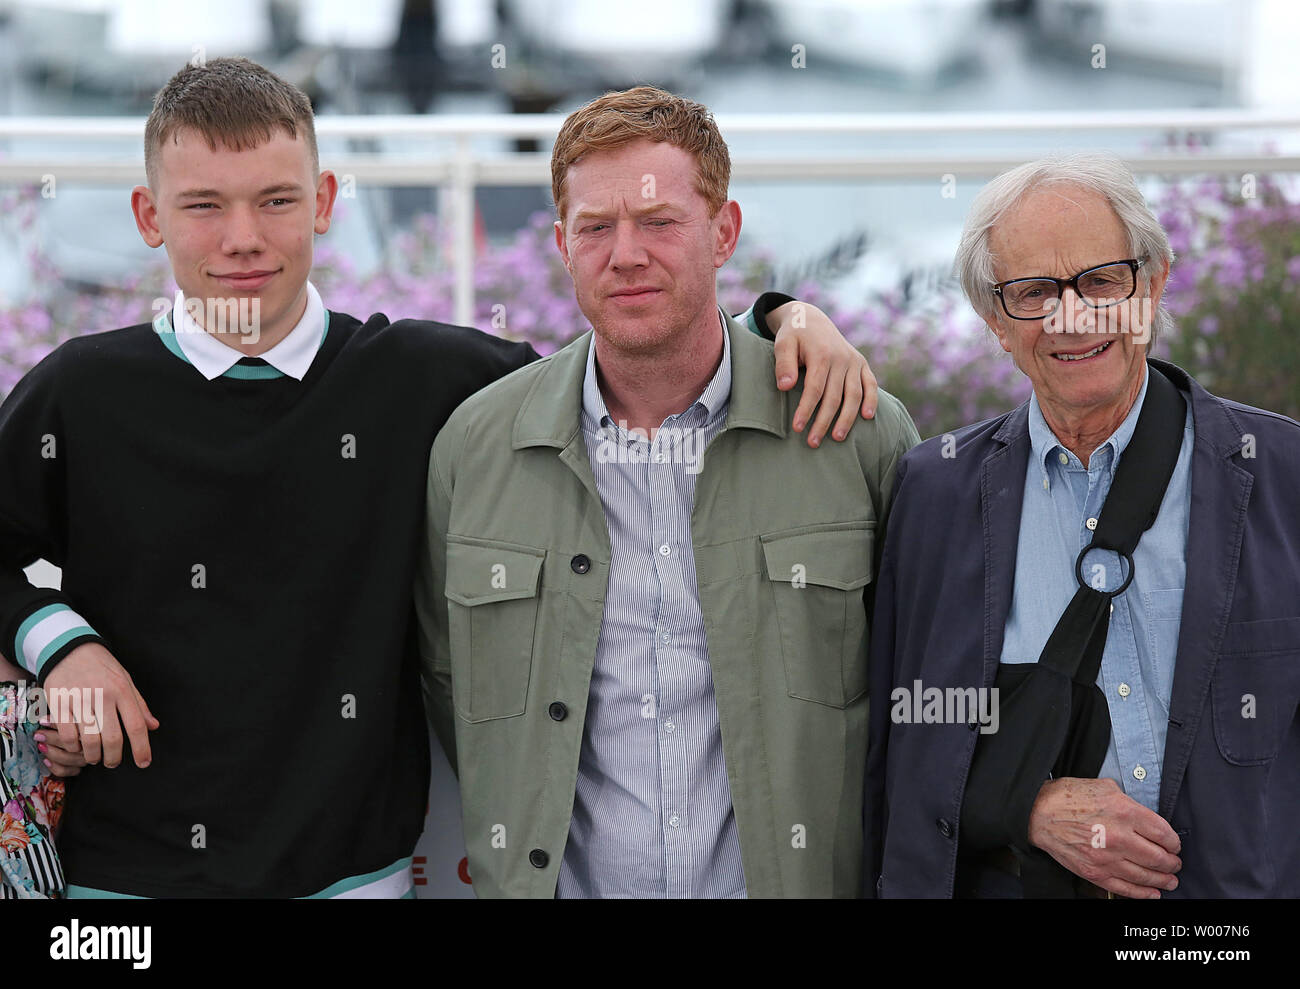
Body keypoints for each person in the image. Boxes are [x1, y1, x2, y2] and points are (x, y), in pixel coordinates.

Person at [0, 58, 877, 898]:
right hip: (124, 883)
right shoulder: (81, 390)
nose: (243, 238)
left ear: (326, 202)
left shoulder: (425, 378)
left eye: (276, 200)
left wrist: (782, 318)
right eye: (203, 206)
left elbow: (634, 348)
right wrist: (61, 646)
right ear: (149, 215)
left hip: (356, 881)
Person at [415, 86, 920, 898]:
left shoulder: (852, 430)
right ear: (560, 243)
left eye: (658, 222)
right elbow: (450, 680)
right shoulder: (474, 451)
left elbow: (922, 682)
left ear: (724, 232)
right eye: (596, 227)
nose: (626, 254)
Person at [867, 152, 1300, 898]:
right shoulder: (933, 492)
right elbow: (905, 744)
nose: (1073, 315)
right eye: (1033, 291)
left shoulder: (1285, 474)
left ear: (1155, 281)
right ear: (995, 320)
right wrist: (1024, 803)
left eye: (1102, 280)